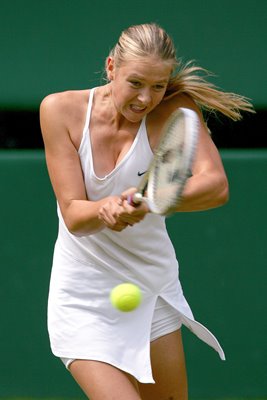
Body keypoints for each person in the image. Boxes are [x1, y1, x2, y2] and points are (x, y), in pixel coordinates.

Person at [40, 23, 253, 400]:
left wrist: (151, 200)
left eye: (158, 86)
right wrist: (105, 207)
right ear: (110, 67)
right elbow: (73, 214)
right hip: (83, 293)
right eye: (135, 83)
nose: (145, 99)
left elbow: (216, 186)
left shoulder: (173, 112)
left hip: (152, 285)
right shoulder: (60, 110)